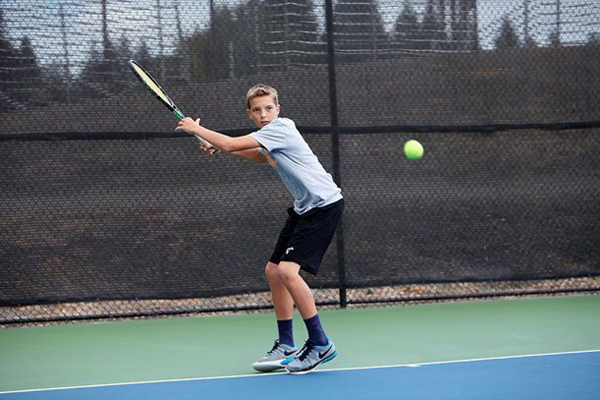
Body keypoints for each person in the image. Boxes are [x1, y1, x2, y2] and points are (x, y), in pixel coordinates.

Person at [175, 84, 344, 375]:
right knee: (273, 270)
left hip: (323, 205)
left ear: (278, 110)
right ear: (249, 114)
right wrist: (217, 145)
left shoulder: (283, 128)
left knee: (288, 272)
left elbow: (230, 144)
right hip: (304, 208)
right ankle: (286, 345)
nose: (264, 114)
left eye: (268, 108)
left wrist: (196, 129)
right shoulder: (269, 138)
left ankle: (320, 343)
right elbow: (257, 155)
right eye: (257, 110)